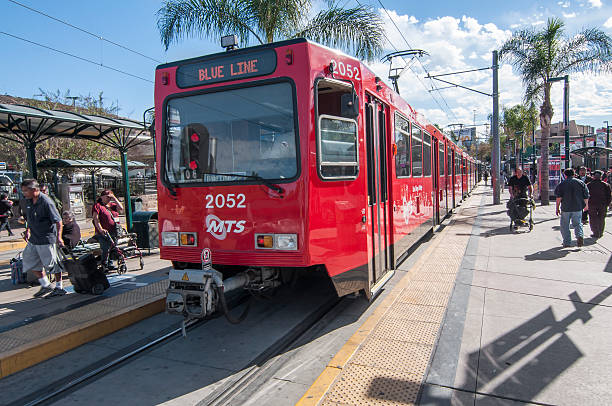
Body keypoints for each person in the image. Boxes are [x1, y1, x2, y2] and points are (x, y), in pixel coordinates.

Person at [20, 179, 66, 297]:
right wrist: (28, 230)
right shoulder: (29, 201)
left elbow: (58, 221)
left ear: (35, 190)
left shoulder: (46, 202)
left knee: (53, 265)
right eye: (23, 191)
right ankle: (45, 285)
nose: (24, 193)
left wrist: (59, 237)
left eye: (26, 190)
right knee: (28, 259)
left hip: (47, 239)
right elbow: (30, 219)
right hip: (34, 239)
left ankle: (59, 287)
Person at [555, 168, 589, 248]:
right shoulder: (581, 183)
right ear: (574, 174)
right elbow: (586, 195)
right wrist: (586, 206)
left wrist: (557, 208)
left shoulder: (562, 184)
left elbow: (558, 197)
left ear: (565, 175)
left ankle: (567, 242)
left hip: (566, 207)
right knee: (578, 223)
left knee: (564, 225)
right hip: (577, 207)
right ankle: (579, 235)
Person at [92, 189, 124, 270]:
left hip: (114, 231)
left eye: (109, 197)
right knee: (105, 248)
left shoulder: (112, 205)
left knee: (113, 247)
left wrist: (114, 198)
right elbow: (96, 219)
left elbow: (121, 208)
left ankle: (110, 263)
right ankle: (104, 264)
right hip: (104, 232)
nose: (108, 198)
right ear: (102, 197)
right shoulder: (98, 206)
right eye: (107, 197)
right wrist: (100, 229)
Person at [586, 170, 611, 238]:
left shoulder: (589, 185)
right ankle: (600, 231)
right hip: (602, 204)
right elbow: (609, 196)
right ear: (601, 177)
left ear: (593, 176)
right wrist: (608, 204)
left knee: (593, 218)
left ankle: (596, 232)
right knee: (601, 218)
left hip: (592, 204)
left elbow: (586, 195)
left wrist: (586, 204)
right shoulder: (606, 185)